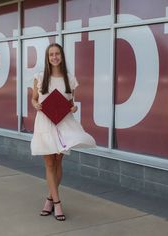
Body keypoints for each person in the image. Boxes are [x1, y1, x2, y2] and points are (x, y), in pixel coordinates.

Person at [31, 43, 96, 221]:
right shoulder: (39, 77)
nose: (54, 57)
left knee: (58, 161)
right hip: (45, 123)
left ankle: (50, 199)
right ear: (47, 57)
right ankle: (57, 204)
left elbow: (71, 103)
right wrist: (35, 104)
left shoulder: (70, 79)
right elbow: (34, 99)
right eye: (51, 54)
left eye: (57, 54)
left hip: (63, 123)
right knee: (49, 163)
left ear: (61, 56)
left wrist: (74, 108)